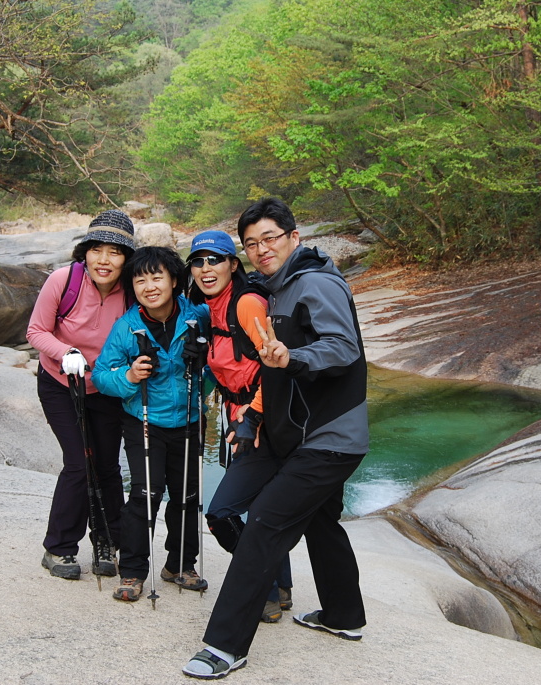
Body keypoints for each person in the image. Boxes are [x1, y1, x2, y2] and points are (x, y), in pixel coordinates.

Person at [182, 197, 368, 679]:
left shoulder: (315, 283)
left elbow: (343, 347)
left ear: (294, 238)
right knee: (322, 523)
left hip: (329, 437)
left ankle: (225, 646)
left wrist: (292, 358)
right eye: (251, 243)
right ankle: (344, 617)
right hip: (295, 432)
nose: (261, 248)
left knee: (264, 523)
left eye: (270, 238)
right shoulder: (275, 289)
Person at [186, 229, 294, 624]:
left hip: (261, 422)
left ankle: (262, 590)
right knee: (262, 511)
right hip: (242, 419)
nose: (205, 268)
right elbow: (235, 366)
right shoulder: (213, 307)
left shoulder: (246, 303)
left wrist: (252, 417)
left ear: (234, 264)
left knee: (221, 513)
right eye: (198, 261)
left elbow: (275, 365)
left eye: (215, 259)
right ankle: (280, 589)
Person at [92, 246, 211, 602]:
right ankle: (132, 571)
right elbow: (101, 375)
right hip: (144, 421)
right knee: (145, 495)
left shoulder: (198, 317)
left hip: (189, 420)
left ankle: (179, 564)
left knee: (188, 497)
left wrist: (203, 364)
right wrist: (129, 375)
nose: (149, 286)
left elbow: (220, 367)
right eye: (140, 279)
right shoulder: (126, 327)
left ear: (175, 280)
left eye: (157, 276)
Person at [26, 210, 134, 580]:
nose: (104, 260)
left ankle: (107, 542)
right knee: (78, 463)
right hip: (60, 383)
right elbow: (37, 331)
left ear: (127, 259)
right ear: (84, 251)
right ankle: (58, 548)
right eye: (97, 249)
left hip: (106, 387)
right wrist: (65, 353)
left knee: (107, 467)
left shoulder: (132, 292)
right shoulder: (63, 280)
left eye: (115, 252)